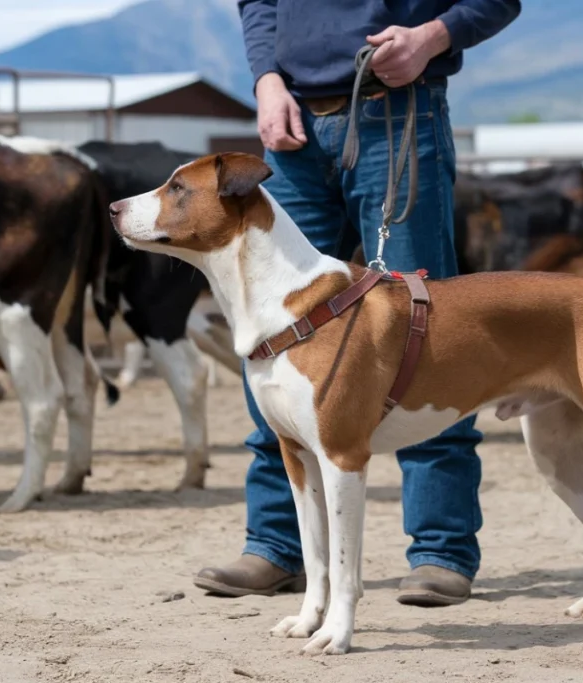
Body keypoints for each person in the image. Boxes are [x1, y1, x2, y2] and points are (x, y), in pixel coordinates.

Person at [194, 0, 521, 607]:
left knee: (424, 337)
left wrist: (433, 35)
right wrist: (266, 79)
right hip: (289, 122)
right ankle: (277, 546)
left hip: (398, 113)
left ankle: (440, 551)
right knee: (273, 336)